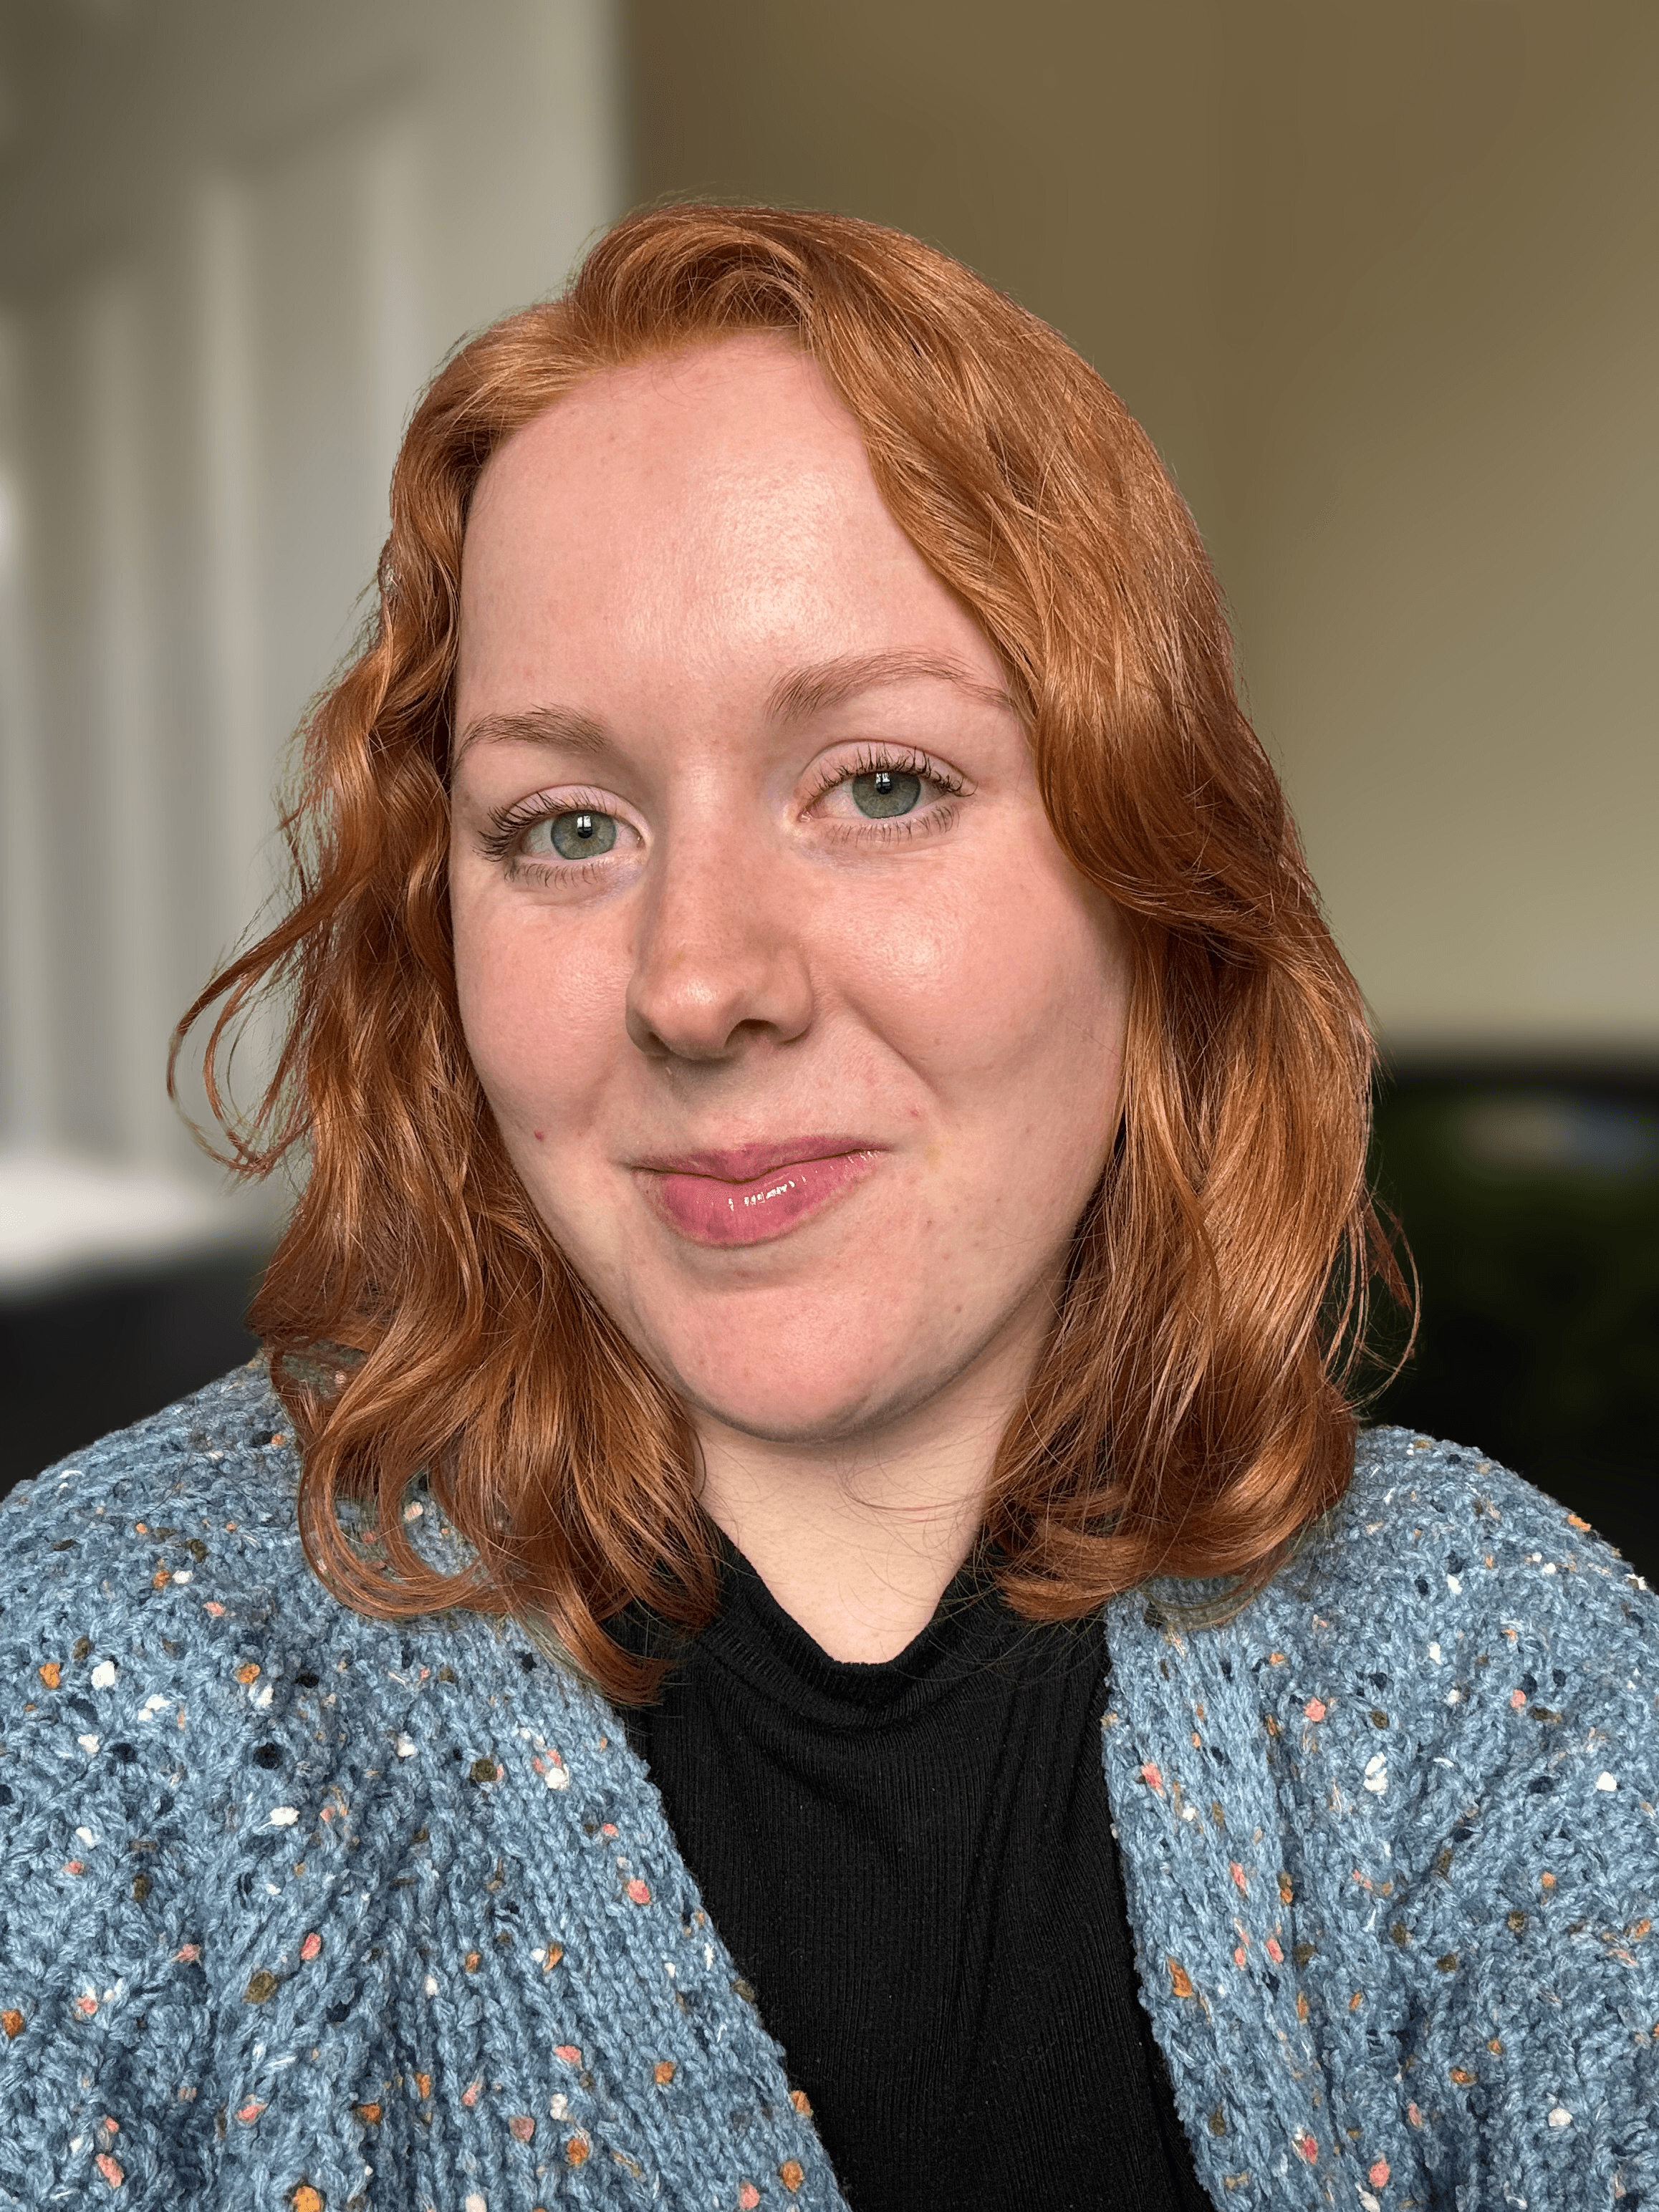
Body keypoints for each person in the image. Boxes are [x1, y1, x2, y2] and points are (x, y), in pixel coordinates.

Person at [0, 205, 1653, 2212]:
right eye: (565, 825)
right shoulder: (94, 1692)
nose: (699, 982)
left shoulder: (1509, 1673)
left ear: (1153, 881)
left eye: (878, 784)